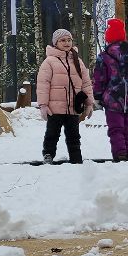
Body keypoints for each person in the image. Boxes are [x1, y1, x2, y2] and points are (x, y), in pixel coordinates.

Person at [37, 27, 94, 164]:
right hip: (55, 108)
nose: (67, 43)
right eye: (62, 40)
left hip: (73, 107)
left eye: (69, 40)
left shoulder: (77, 61)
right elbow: (43, 84)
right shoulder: (49, 62)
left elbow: (86, 83)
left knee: (74, 136)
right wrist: (43, 105)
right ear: (56, 43)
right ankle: (48, 155)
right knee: (52, 134)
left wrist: (89, 103)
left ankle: (76, 158)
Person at [92, 17, 128, 162]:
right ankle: (127, 153)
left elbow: (99, 78)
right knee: (127, 128)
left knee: (116, 128)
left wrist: (98, 96)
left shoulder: (104, 56)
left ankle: (120, 154)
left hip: (112, 98)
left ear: (108, 38)